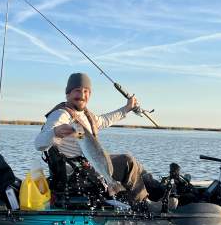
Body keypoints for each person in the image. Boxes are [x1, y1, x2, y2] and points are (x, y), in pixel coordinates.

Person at [34, 72, 152, 208]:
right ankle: (143, 205)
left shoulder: (85, 115)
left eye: (86, 91)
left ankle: (155, 193)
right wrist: (55, 132)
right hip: (75, 173)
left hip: (89, 164)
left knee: (138, 167)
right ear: (68, 94)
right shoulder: (61, 114)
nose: (82, 95)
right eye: (77, 91)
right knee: (128, 162)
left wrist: (127, 108)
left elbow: (104, 120)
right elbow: (39, 144)